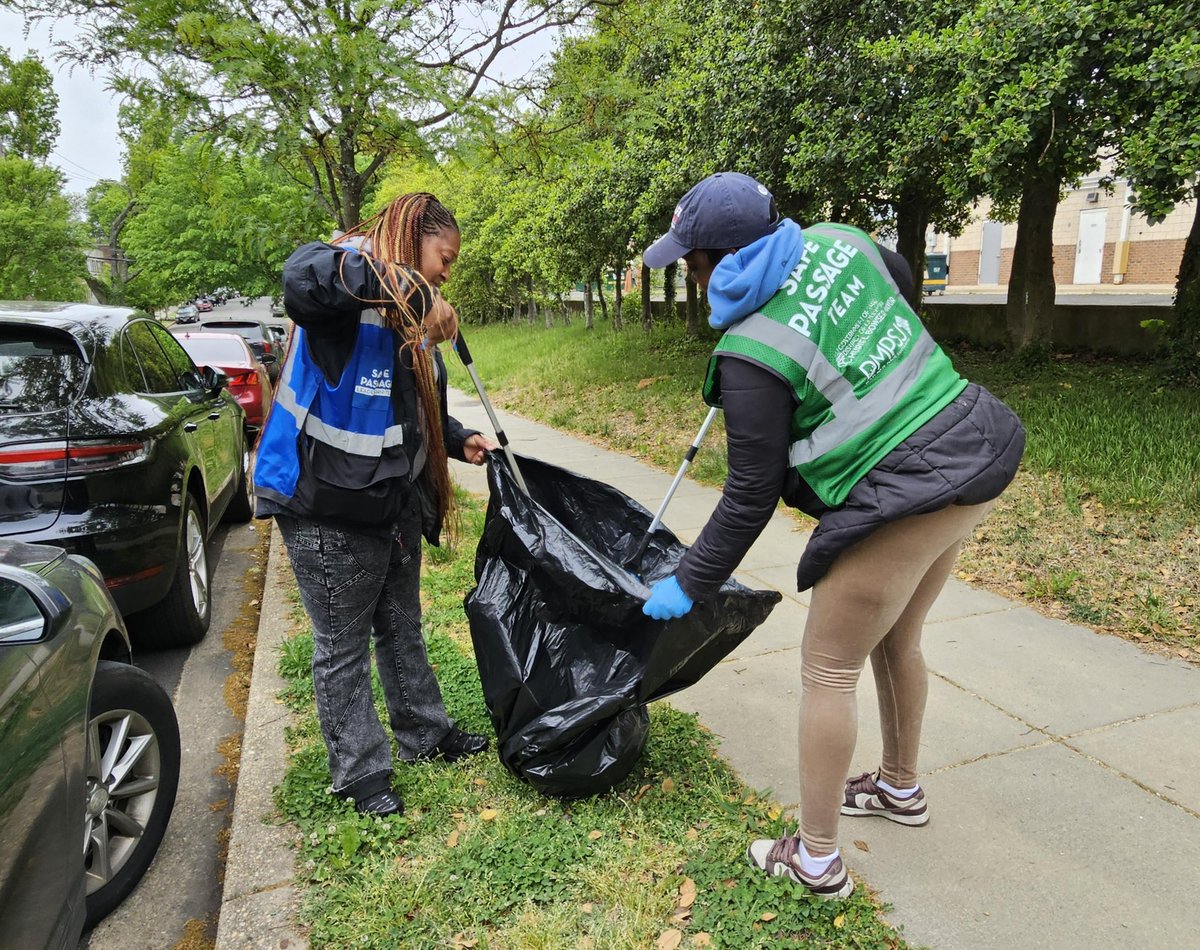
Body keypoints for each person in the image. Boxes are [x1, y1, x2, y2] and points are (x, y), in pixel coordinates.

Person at [640, 172, 1025, 899]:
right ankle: (899, 789)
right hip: (972, 449)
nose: (689, 277)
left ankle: (815, 858)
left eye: (690, 262)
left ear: (718, 261)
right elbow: (901, 285)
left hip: (908, 495)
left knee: (827, 668)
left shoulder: (753, 353)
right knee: (897, 639)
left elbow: (751, 494)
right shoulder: (841, 242)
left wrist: (688, 583)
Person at [253, 192, 497, 817]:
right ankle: (360, 773)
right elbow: (297, 278)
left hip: (387, 499)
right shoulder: (340, 274)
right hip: (323, 501)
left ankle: (425, 733)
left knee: (402, 622)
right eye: (445, 257)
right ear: (415, 236)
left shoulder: (397, 305)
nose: (447, 273)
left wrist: (452, 435)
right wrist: (419, 294)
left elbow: (400, 398)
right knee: (343, 640)